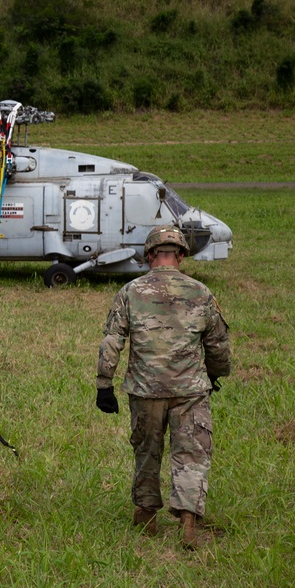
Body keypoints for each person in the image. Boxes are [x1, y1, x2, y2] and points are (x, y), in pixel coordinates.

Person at [96, 225, 231, 549]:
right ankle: (187, 520)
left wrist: (104, 384)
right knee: (192, 455)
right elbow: (218, 345)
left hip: (145, 392)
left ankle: (147, 514)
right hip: (190, 392)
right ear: (182, 255)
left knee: (147, 452)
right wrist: (215, 375)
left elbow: (113, 341)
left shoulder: (130, 291)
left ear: (149, 256)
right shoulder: (201, 292)